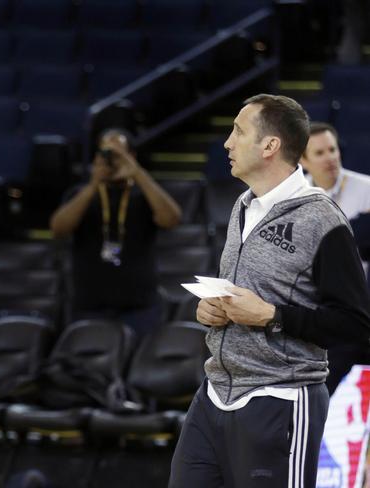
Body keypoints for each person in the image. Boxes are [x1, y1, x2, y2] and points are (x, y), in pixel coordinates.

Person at [169, 94, 370, 488]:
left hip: (281, 400)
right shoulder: (242, 205)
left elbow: (354, 324)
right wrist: (212, 309)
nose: (228, 143)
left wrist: (272, 317)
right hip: (215, 393)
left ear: (269, 146)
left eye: (238, 131)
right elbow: (244, 291)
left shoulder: (322, 219)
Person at [49, 128, 181, 337]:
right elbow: (58, 229)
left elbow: (171, 219)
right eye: (106, 154)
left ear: (132, 156)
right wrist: (94, 184)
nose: (112, 160)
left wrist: (137, 173)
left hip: (140, 306)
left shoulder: (145, 193)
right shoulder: (80, 194)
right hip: (89, 306)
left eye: (119, 154)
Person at [301, 122, 370, 393]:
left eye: (332, 150)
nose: (330, 158)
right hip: (324, 309)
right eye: (319, 153)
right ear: (302, 160)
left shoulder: (367, 189)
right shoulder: (296, 198)